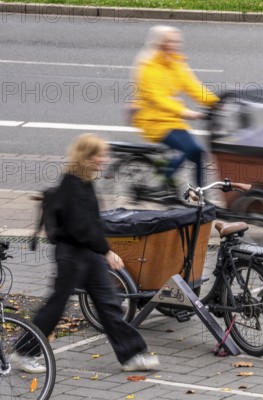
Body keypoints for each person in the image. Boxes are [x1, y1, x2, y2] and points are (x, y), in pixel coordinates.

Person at [13, 133, 159, 373]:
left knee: (108, 304)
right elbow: (81, 227)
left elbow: (90, 224)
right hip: (72, 255)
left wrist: (100, 250)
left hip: (87, 255)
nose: (104, 159)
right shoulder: (73, 186)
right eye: (99, 155)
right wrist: (107, 251)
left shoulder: (83, 182)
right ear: (85, 157)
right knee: (56, 305)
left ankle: (133, 355)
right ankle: (24, 351)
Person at [131, 25, 220, 195]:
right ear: (160, 43)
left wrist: (217, 103)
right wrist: (184, 112)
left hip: (172, 120)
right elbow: (157, 98)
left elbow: (193, 86)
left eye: (177, 41)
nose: (176, 44)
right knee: (191, 149)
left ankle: (200, 196)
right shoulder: (149, 67)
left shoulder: (176, 63)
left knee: (199, 154)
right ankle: (161, 183)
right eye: (171, 41)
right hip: (152, 121)